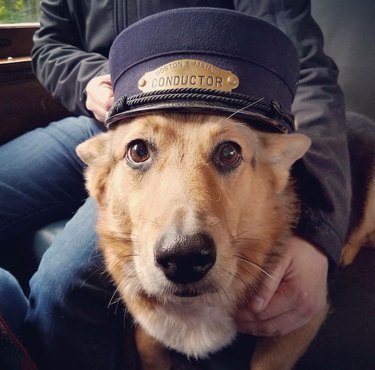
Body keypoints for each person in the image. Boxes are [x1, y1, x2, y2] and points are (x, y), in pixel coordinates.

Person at [0, 1, 350, 369]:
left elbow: (305, 69)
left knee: (63, 284)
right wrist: (89, 81)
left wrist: (317, 232)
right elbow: (49, 45)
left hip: (225, 112)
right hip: (107, 119)